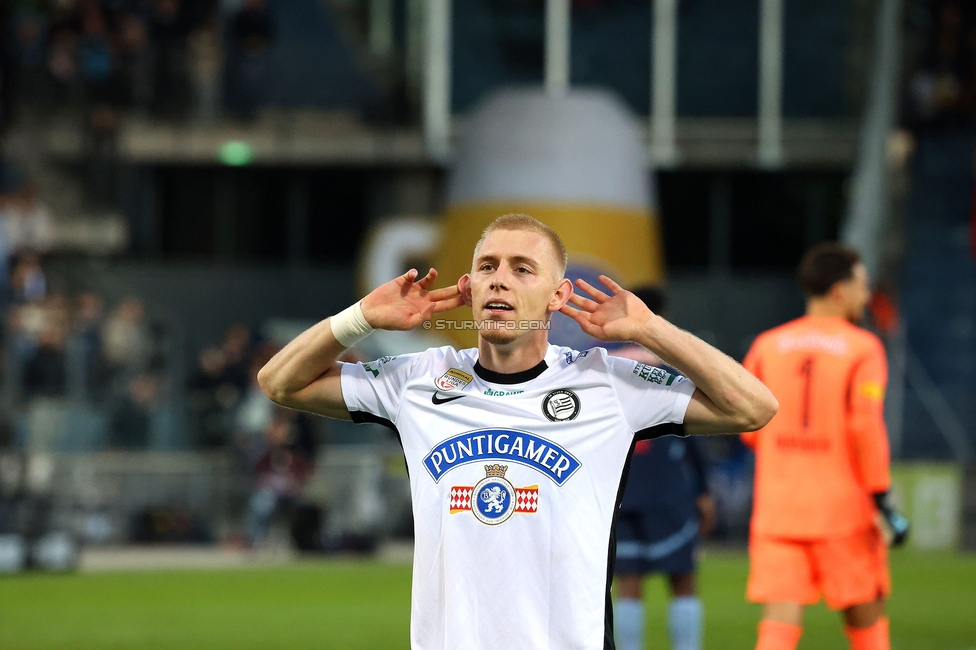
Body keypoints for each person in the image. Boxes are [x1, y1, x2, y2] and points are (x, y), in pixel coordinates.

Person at [258, 213, 778, 650]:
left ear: (559, 295)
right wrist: (361, 318)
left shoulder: (606, 384)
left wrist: (650, 330)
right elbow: (279, 382)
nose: (499, 279)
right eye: (486, 267)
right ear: (471, 288)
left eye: (522, 269)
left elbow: (753, 407)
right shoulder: (418, 380)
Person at [741, 243, 910, 650]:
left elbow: (748, 426)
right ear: (839, 292)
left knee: (779, 624)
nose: (866, 296)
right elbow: (864, 425)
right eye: (862, 286)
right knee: (865, 617)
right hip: (844, 511)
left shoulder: (767, 344)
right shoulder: (863, 348)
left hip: (779, 510)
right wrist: (882, 496)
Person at [611, 287, 716, 650]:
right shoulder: (670, 366)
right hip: (666, 488)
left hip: (619, 489)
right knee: (683, 578)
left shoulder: (601, 364)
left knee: (627, 584)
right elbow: (694, 432)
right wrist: (703, 491)